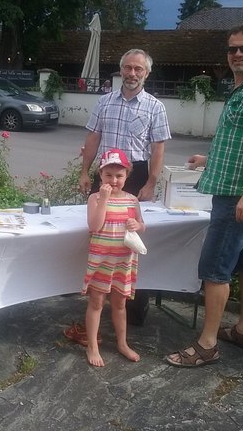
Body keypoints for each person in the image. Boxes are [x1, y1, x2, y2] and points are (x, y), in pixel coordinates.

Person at [166, 23, 243, 367]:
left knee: (215, 267)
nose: (237, 54)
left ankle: (207, 345)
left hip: (240, 197)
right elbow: (241, 141)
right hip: (238, 191)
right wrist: (209, 158)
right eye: (232, 49)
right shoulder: (242, 88)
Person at [74, 48, 171, 332]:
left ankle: (131, 308)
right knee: (100, 233)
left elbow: (158, 149)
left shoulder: (155, 107)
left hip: (136, 174)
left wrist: (151, 182)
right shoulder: (104, 102)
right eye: (127, 68)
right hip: (106, 173)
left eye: (138, 69)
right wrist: (84, 172)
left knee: (131, 242)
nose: (132, 74)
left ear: (147, 73)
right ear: (120, 70)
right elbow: (93, 137)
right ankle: (97, 301)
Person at [82, 148, 146, 367]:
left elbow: (141, 224)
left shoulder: (132, 200)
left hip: (124, 260)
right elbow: (94, 225)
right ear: (101, 175)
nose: (114, 180)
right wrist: (104, 199)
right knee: (97, 302)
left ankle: (122, 343)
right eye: (109, 175)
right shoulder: (95, 198)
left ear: (127, 175)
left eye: (119, 175)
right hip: (102, 259)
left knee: (120, 303)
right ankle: (92, 345)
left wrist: (137, 225)